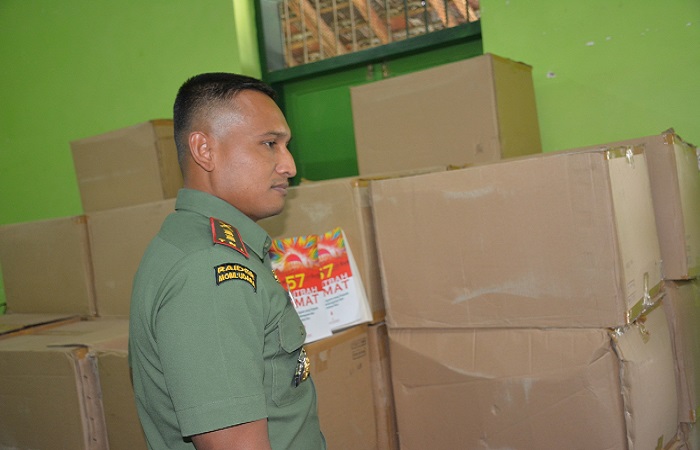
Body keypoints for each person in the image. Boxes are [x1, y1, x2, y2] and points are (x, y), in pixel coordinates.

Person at [128, 73, 326, 450]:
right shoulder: (212, 271)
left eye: (286, 145)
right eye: (269, 144)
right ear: (205, 150)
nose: (289, 165)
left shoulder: (193, 244)